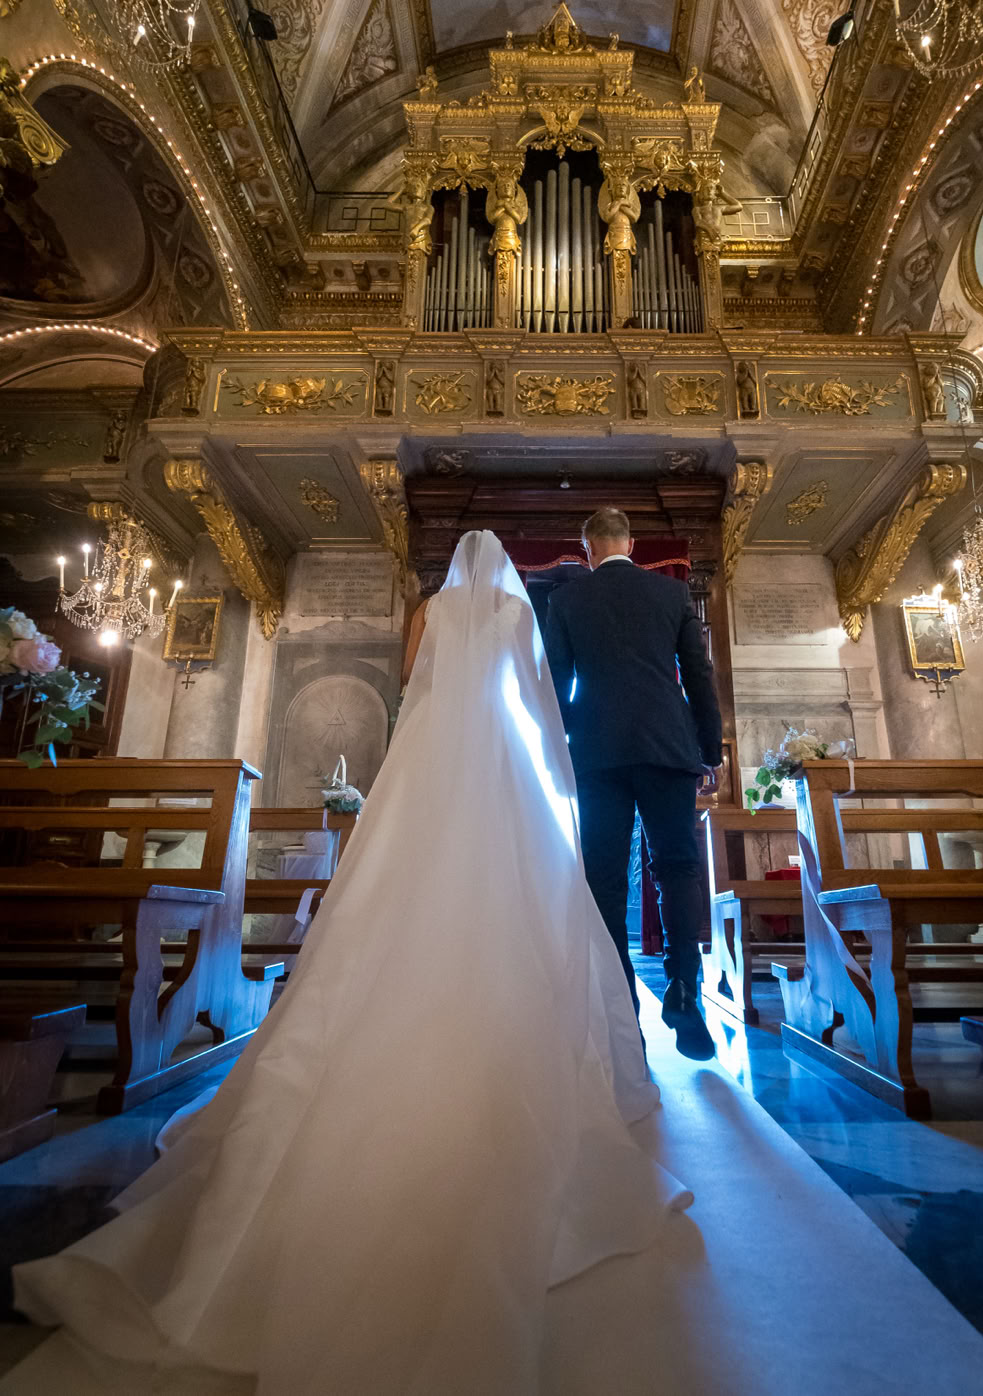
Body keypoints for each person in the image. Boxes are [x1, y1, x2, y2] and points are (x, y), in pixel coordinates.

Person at [12, 531, 690, 1395]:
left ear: (451, 573)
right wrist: (552, 767)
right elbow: (541, 701)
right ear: (507, 576)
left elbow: (413, 690)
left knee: (400, 883)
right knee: (516, 889)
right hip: (503, 763)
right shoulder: (520, 611)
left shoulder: (430, 611)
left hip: (432, 757)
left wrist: (426, 741)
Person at [544, 508, 723, 1062]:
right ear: (631, 543)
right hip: (668, 749)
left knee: (605, 880)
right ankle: (685, 989)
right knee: (679, 867)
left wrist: (569, 743)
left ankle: (623, 1011)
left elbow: (556, 682)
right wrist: (709, 751)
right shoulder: (670, 597)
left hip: (598, 755)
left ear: (587, 548)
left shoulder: (567, 601)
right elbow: (699, 676)